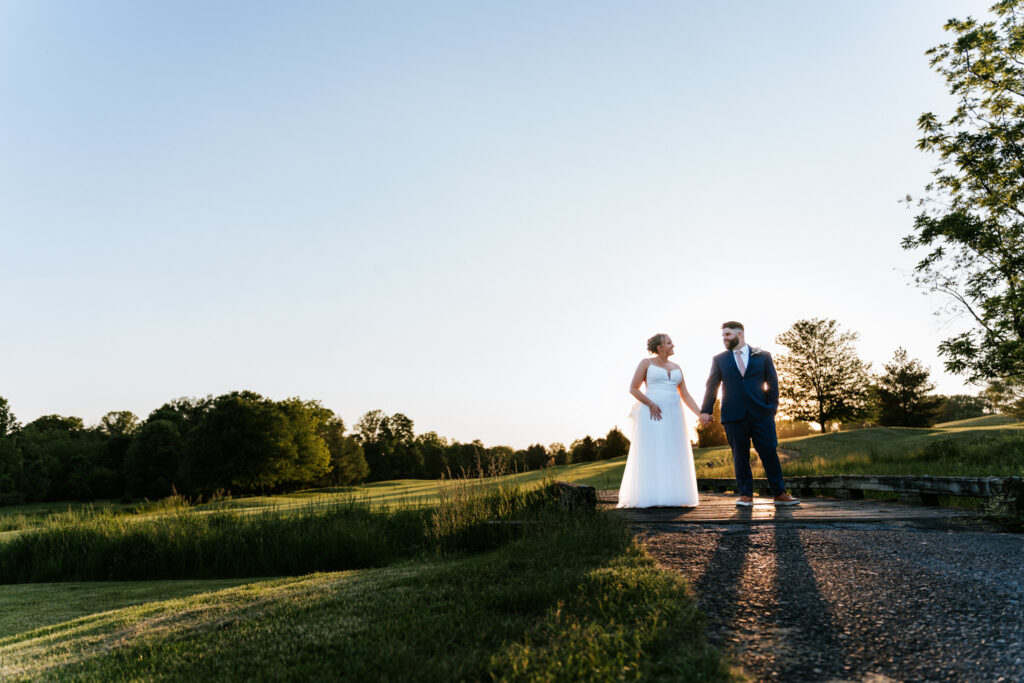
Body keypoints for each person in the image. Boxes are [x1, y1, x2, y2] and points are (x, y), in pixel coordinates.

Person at [699, 321, 800, 507]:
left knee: (769, 452)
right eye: (723, 336)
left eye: (727, 335)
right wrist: (705, 410)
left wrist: (771, 409)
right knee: (740, 455)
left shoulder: (763, 356)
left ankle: (779, 494)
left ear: (740, 334)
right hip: (733, 415)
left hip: (761, 414)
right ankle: (746, 495)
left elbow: (773, 384)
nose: (724, 338)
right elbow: (712, 386)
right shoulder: (719, 359)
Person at [616, 333, 700, 508]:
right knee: (655, 449)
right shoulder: (646, 363)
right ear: (660, 347)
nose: (672, 345)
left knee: (673, 449)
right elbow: (633, 388)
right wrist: (650, 404)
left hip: (675, 412)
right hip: (653, 412)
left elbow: (685, 394)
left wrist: (700, 414)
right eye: (669, 343)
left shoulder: (677, 367)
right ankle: (651, 496)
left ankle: (674, 496)